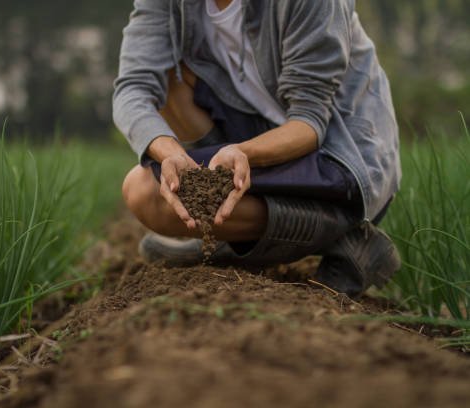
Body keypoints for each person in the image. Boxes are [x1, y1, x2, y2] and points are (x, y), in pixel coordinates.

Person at [113, 0, 402, 297]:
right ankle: (229, 227)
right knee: (169, 84)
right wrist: (168, 151)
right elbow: (133, 87)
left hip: (337, 152)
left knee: (144, 191)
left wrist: (244, 153)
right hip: (253, 130)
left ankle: (344, 231)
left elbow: (310, 121)